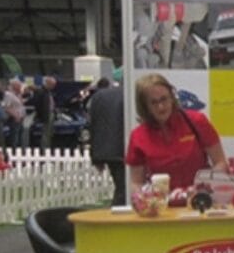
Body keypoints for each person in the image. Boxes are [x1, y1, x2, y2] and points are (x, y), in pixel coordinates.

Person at [125, 73, 226, 193]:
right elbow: (136, 183)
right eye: (153, 102)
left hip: (198, 202)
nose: (161, 107)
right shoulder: (138, 137)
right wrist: (145, 199)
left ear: (172, 97)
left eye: (164, 99)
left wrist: (205, 186)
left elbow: (220, 163)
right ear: (144, 106)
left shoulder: (196, 121)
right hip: (161, 207)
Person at [88, 77, 126, 205]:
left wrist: (95, 156)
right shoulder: (129, 96)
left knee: (121, 187)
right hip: (122, 150)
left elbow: (92, 125)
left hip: (106, 150)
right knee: (123, 190)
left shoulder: (99, 96)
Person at [29, 76, 57, 150]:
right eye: (53, 85)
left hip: (50, 114)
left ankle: (47, 147)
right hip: (46, 115)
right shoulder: (41, 92)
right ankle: (44, 149)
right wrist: (41, 115)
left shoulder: (47, 92)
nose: (54, 87)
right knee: (45, 134)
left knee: (49, 133)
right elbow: (38, 104)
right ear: (48, 83)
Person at [1, 79, 26, 147]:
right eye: (19, 86)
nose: (21, 87)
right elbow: (6, 107)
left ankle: (19, 151)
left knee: (20, 137)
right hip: (14, 119)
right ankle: (13, 151)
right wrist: (15, 116)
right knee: (14, 137)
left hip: (20, 119)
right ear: (14, 86)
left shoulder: (17, 94)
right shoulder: (8, 95)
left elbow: (20, 104)